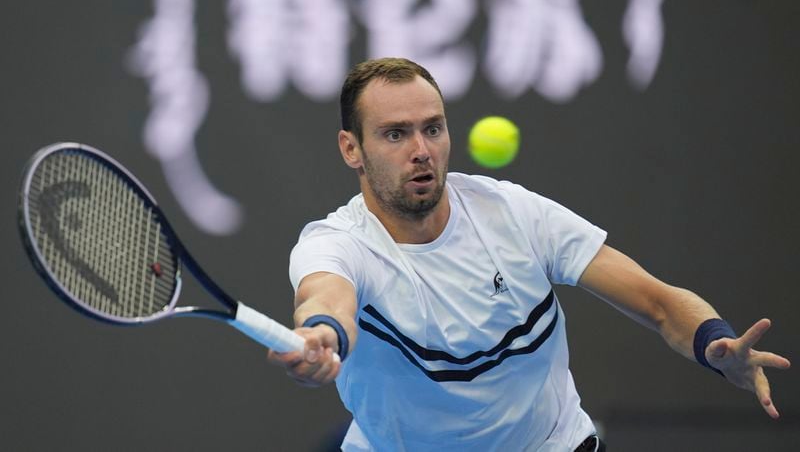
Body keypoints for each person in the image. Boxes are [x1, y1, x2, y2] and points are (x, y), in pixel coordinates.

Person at [269, 57, 790, 451]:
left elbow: (657, 302)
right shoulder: (335, 243)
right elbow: (326, 297)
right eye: (395, 134)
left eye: (432, 128)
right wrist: (322, 335)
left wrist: (714, 340)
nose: (422, 149)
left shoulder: (514, 214)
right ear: (350, 149)